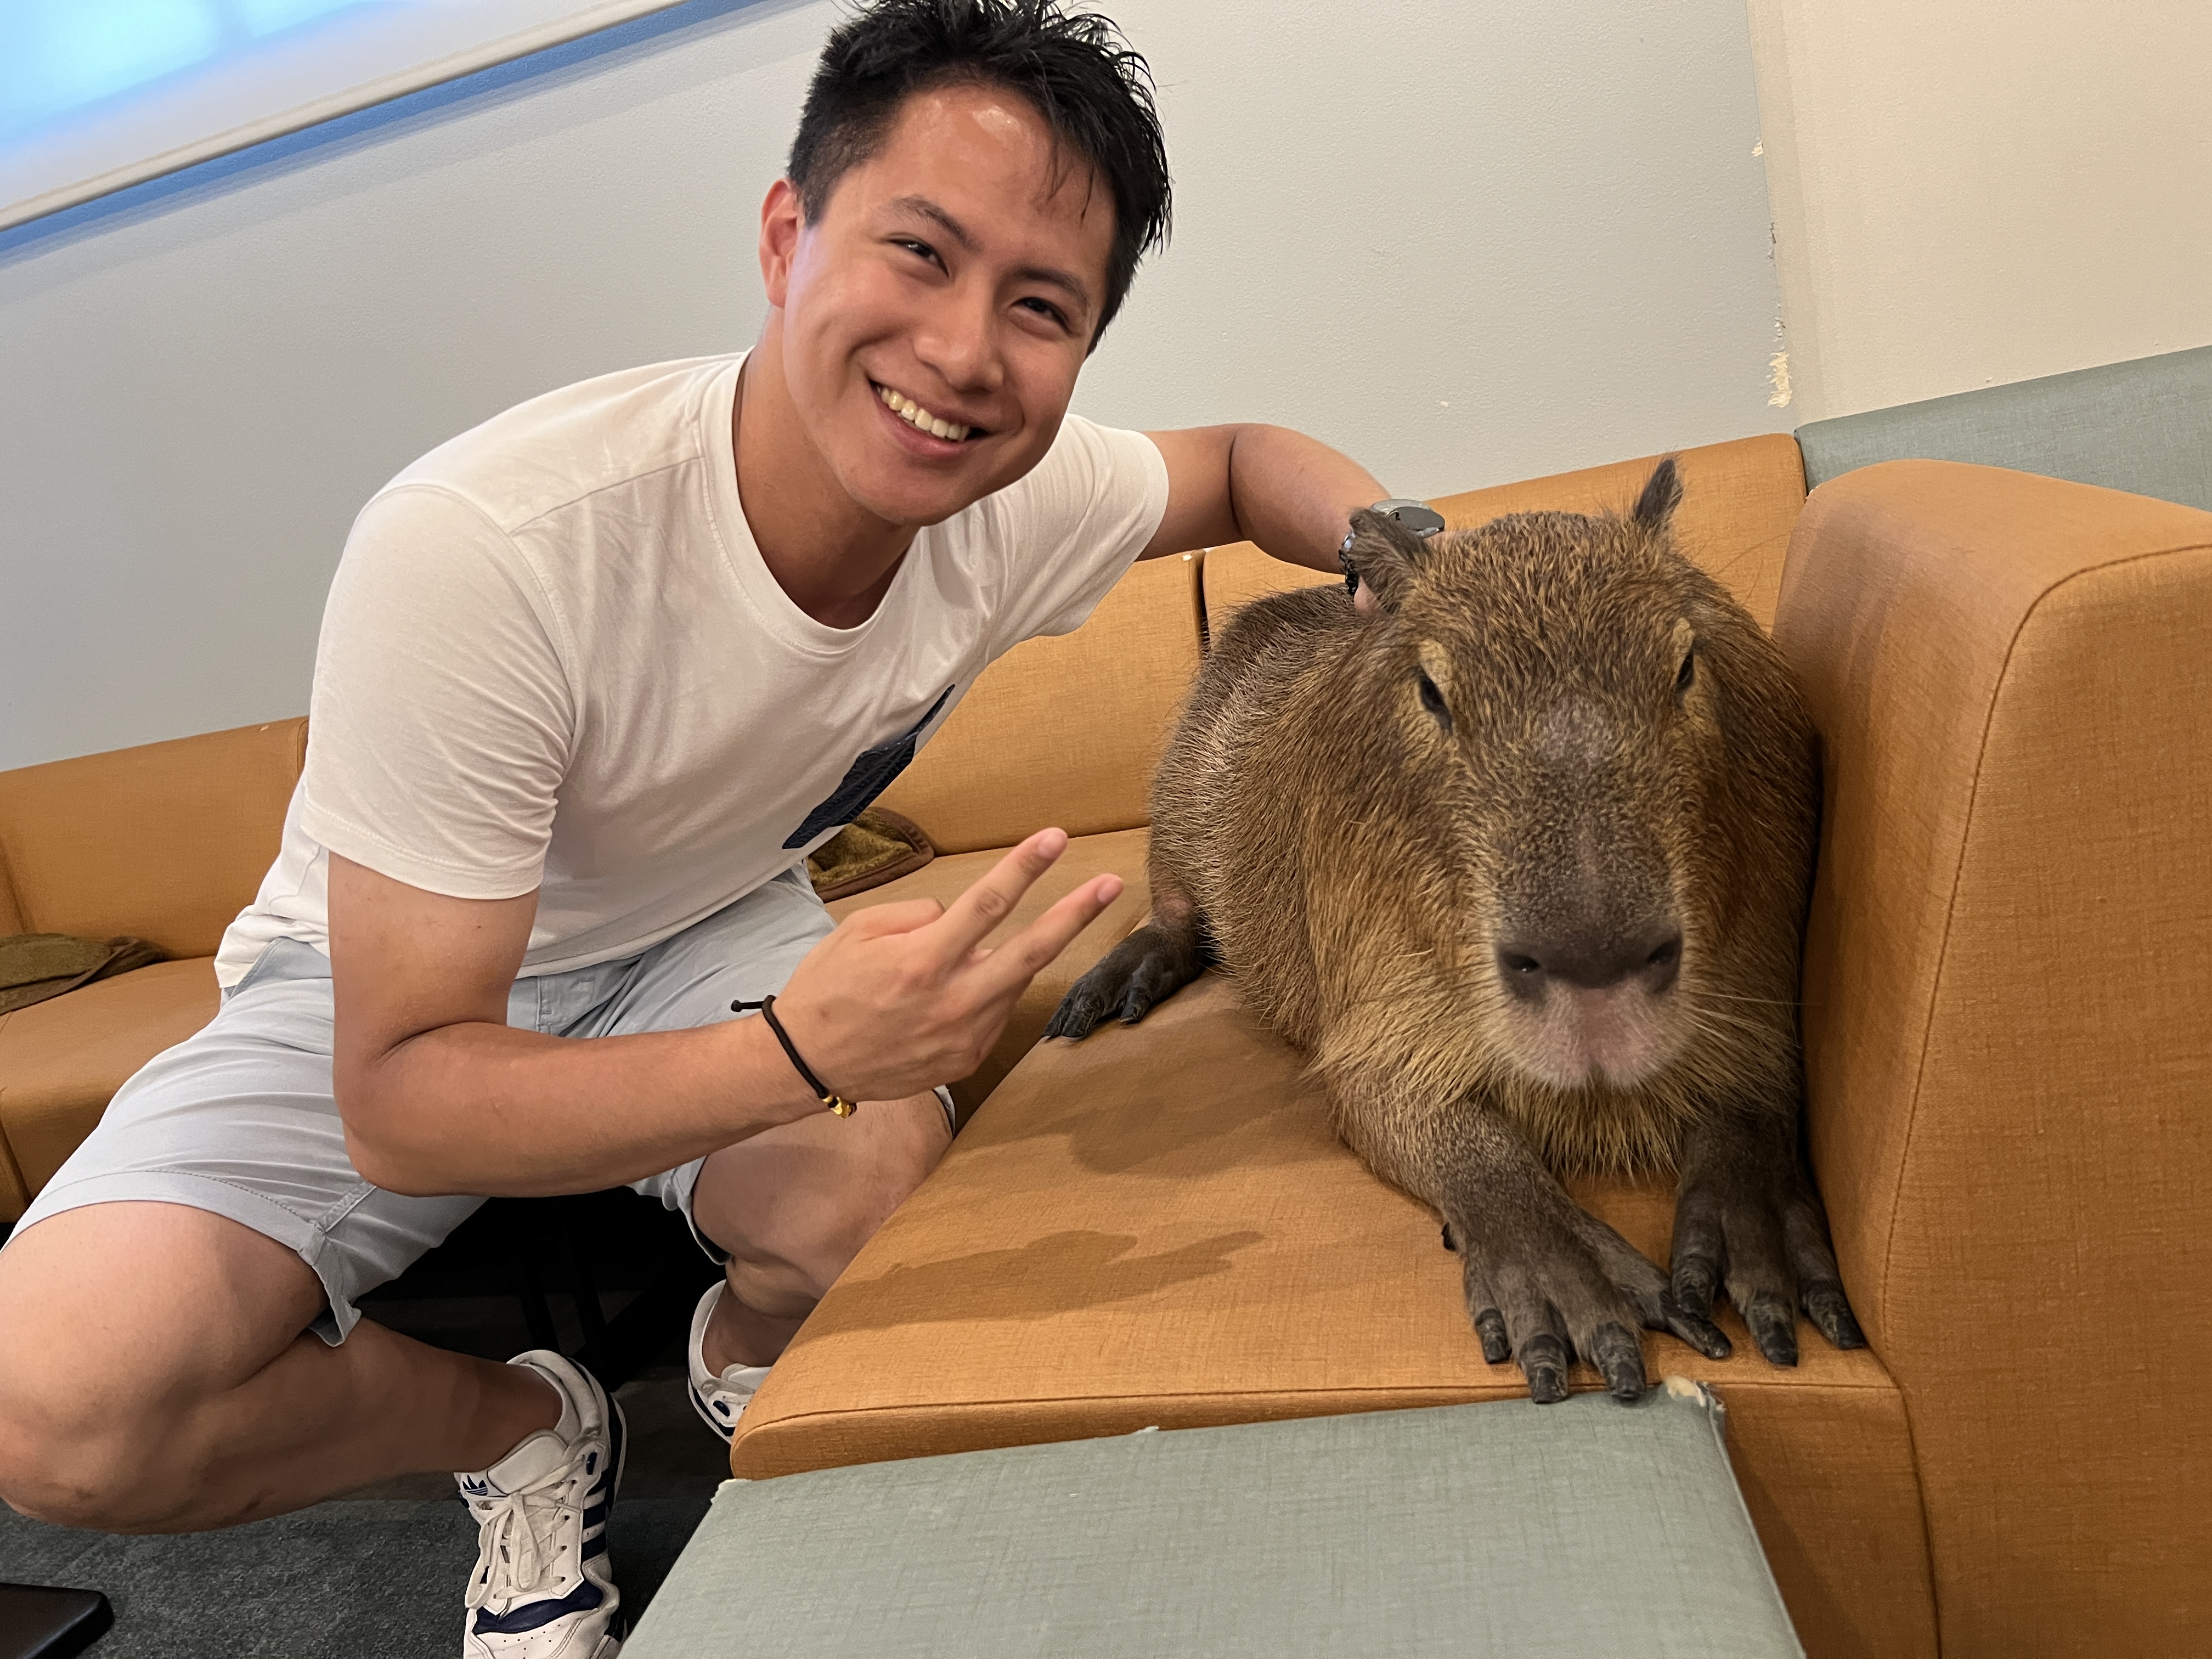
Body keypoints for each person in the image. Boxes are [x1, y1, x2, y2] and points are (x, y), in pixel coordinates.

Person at [0, 2, 1412, 1652]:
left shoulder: (1019, 500)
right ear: (786, 234)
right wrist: (808, 1053)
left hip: (695, 928)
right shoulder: (489, 547)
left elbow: (1244, 464)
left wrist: (1405, 559)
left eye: (1042, 308)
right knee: (55, 1404)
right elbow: (402, 1098)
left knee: (876, 1197)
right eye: (920, 254)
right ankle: (525, 1433)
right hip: (369, 995)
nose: (966, 353)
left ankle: (740, 1359)